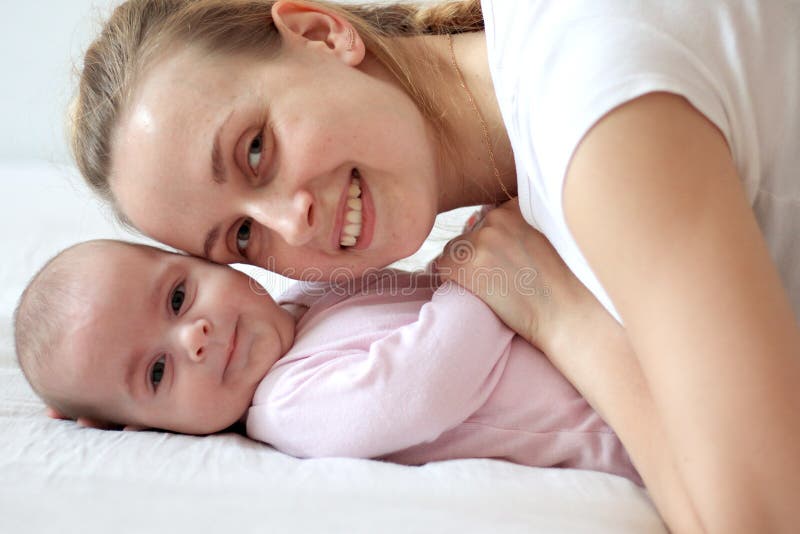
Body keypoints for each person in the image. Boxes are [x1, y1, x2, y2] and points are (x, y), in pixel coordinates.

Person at [69, 0, 800, 532]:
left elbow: (764, 518)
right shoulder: (532, 132)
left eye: (256, 150)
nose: (292, 224)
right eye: (240, 238)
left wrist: (559, 317)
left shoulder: (590, 120)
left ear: (321, 33)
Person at [14, 239, 641, 484]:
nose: (194, 337)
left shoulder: (309, 292)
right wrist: (483, 278)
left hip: (603, 324)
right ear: (141, 427)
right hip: (618, 417)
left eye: (178, 297)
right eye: (157, 372)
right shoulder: (287, 406)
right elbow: (420, 386)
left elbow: (417, 284)